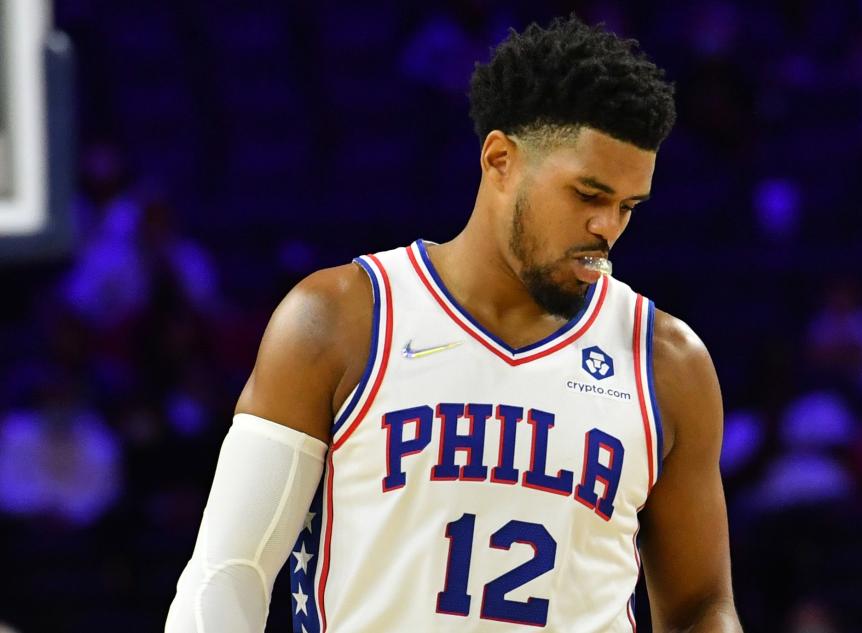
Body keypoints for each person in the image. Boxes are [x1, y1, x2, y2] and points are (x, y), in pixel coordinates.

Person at [166, 15, 741, 633]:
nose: (609, 227)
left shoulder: (667, 362)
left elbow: (701, 606)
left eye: (627, 206)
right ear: (500, 161)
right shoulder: (339, 320)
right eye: (588, 195)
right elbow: (228, 573)